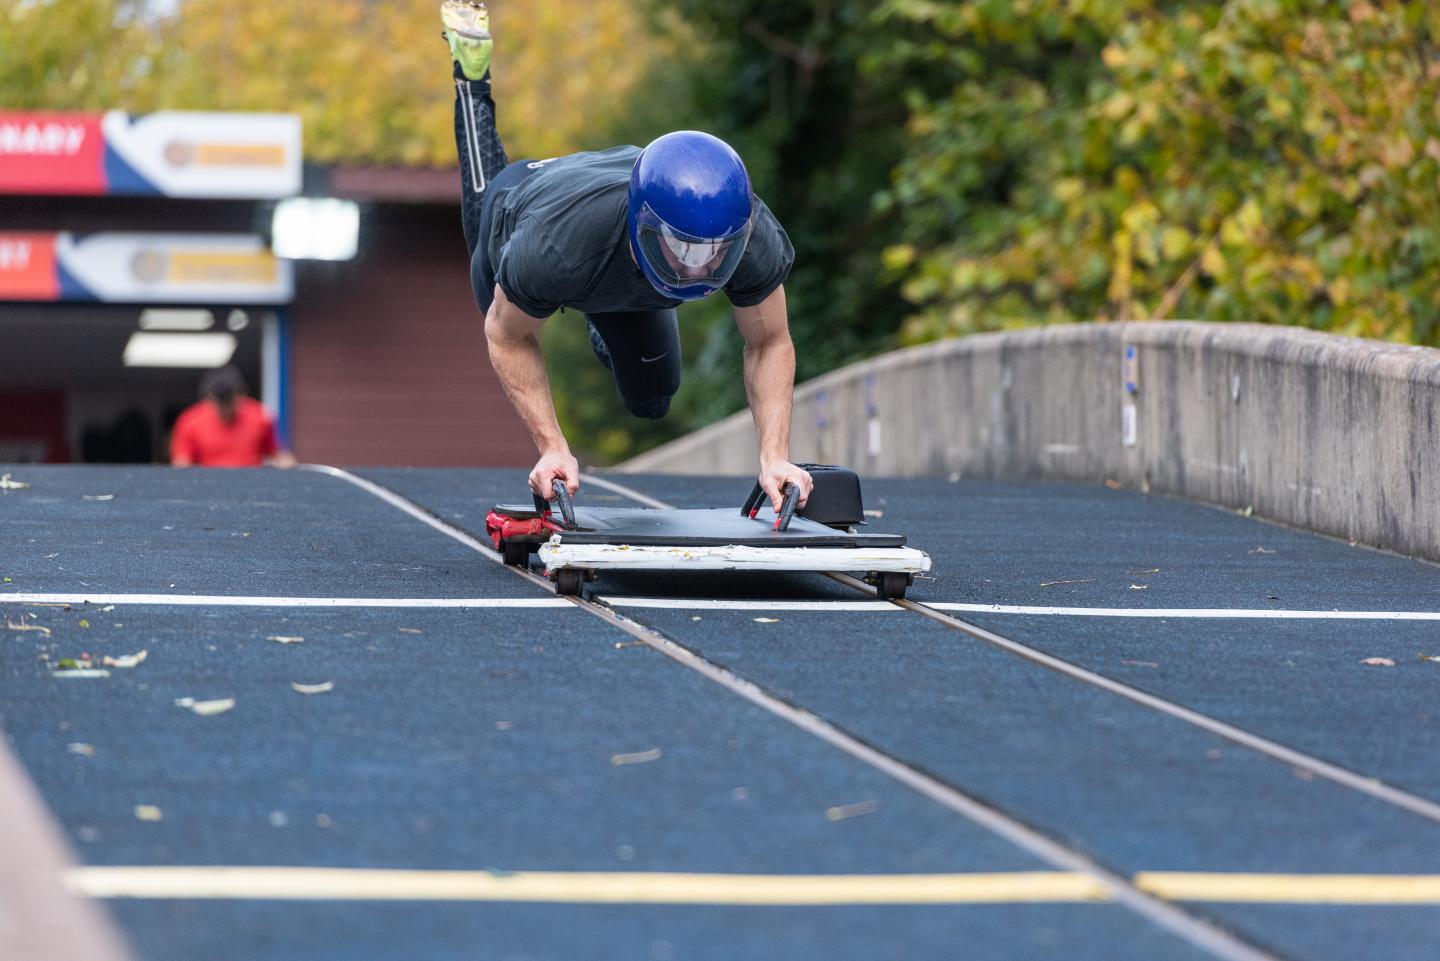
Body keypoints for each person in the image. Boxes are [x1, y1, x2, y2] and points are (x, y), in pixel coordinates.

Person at [441, 1, 813, 511]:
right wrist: (553, 448)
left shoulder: (748, 230)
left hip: (614, 230)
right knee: (489, 217)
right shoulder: (552, 249)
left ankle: (605, 314)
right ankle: (471, 74)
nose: (697, 266)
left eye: (714, 253)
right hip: (522, 206)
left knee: (652, 399)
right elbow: (506, 338)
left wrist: (775, 457)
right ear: (644, 228)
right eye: (681, 249)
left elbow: (770, 340)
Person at [169, 366, 296, 469]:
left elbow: (277, 453)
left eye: (230, 402)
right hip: (208, 486)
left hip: (252, 486)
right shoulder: (190, 421)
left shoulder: (260, 417)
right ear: (209, 399)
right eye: (221, 403)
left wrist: (288, 464)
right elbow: (182, 463)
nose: (225, 409)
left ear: (241, 396)